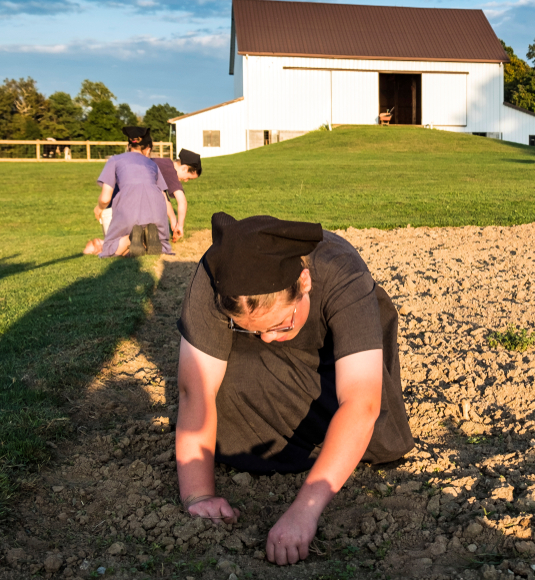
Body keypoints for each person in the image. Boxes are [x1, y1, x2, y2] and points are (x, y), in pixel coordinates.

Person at [175, 213, 414, 566]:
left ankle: (329, 451)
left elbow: (362, 401)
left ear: (304, 281)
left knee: (373, 434)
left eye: (281, 323)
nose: (268, 338)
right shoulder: (218, 275)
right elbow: (195, 390)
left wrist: (305, 512)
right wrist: (198, 496)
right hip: (266, 375)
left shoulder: (338, 268)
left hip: (333, 370)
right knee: (224, 388)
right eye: (252, 331)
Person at [83, 127, 174, 257]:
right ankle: (145, 241)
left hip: (129, 213)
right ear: (148, 149)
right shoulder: (153, 165)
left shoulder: (115, 160)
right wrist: (174, 222)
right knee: (131, 252)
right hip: (157, 216)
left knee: (110, 248)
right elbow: (164, 198)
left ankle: (132, 238)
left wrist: (98, 208)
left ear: (128, 145)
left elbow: (105, 198)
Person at [154, 149, 202, 242]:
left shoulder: (164, 164)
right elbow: (182, 201)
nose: (186, 180)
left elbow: (162, 195)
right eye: (188, 177)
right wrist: (180, 226)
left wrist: (173, 220)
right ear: (184, 168)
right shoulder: (171, 171)